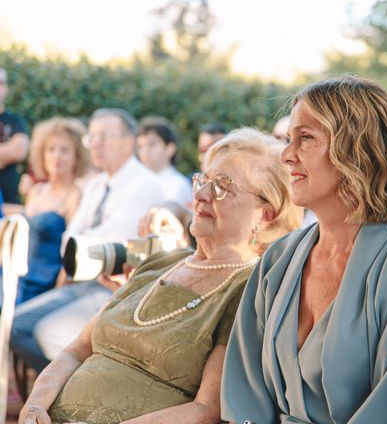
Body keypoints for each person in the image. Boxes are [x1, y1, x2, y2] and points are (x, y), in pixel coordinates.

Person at [19, 128, 302, 424]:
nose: (201, 195)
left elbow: (207, 410)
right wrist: (35, 406)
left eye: (222, 187)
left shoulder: (248, 289)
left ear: (265, 214)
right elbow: (77, 350)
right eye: (203, 181)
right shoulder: (159, 264)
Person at [221, 76, 387, 423]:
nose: (286, 155)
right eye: (288, 139)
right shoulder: (278, 260)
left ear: (356, 151)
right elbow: (243, 387)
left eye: (305, 138)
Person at [11, 108, 164, 372]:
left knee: (48, 333)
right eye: (91, 137)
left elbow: (108, 243)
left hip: (115, 289)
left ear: (128, 142)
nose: (95, 144)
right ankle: (59, 388)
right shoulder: (96, 185)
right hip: (80, 282)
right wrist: (83, 242)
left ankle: (71, 390)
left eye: (104, 137)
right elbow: (68, 240)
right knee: (14, 325)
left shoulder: (144, 183)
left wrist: (83, 241)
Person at [17, 117, 90, 304]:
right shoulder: (36, 191)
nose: (56, 156)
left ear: (77, 156)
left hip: (45, 284)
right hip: (15, 277)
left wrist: (59, 292)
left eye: (64, 150)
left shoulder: (75, 196)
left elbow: (75, 250)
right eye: (51, 149)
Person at [136, 116, 192, 208]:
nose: (145, 151)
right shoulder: (137, 183)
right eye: (140, 146)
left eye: (151, 144)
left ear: (170, 149)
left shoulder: (177, 186)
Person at [0, 66, 30, 205]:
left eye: (1, 83)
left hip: (10, 204)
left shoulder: (16, 121)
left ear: (6, 88)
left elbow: (19, 151)